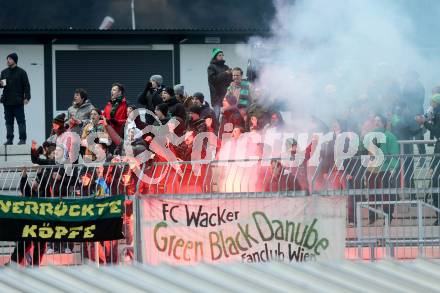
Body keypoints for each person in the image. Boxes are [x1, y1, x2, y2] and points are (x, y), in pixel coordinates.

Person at [416, 93, 440, 225]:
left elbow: (438, 131)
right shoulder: (434, 113)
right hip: (438, 150)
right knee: (434, 182)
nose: (431, 105)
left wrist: (425, 123)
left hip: (438, 151)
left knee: (435, 181)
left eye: (433, 103)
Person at [0, 53, 31, 145]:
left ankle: (22, 139)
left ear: (14, 60)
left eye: (9, 59)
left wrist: (27, 97)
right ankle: (9, 139)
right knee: (8, 122)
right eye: (7, 59)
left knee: (20, 121)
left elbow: (26, 86)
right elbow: (2, 85)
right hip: (7, 101)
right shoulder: (4, 72)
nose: (8, 61)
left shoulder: (22, 72)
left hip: (18, 102)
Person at [207, 48, 232, 119]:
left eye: (222, 55)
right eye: (219, 55)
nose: (221, 57)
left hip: (226, 97)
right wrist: (225, 73)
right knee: (217, 117)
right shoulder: (211, 67)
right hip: (216, 97)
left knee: (227, 117)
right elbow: (213, 80)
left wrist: (232, 75)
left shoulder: (226, 67)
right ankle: (216, 130)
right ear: (215, 56)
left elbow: (229, 81)